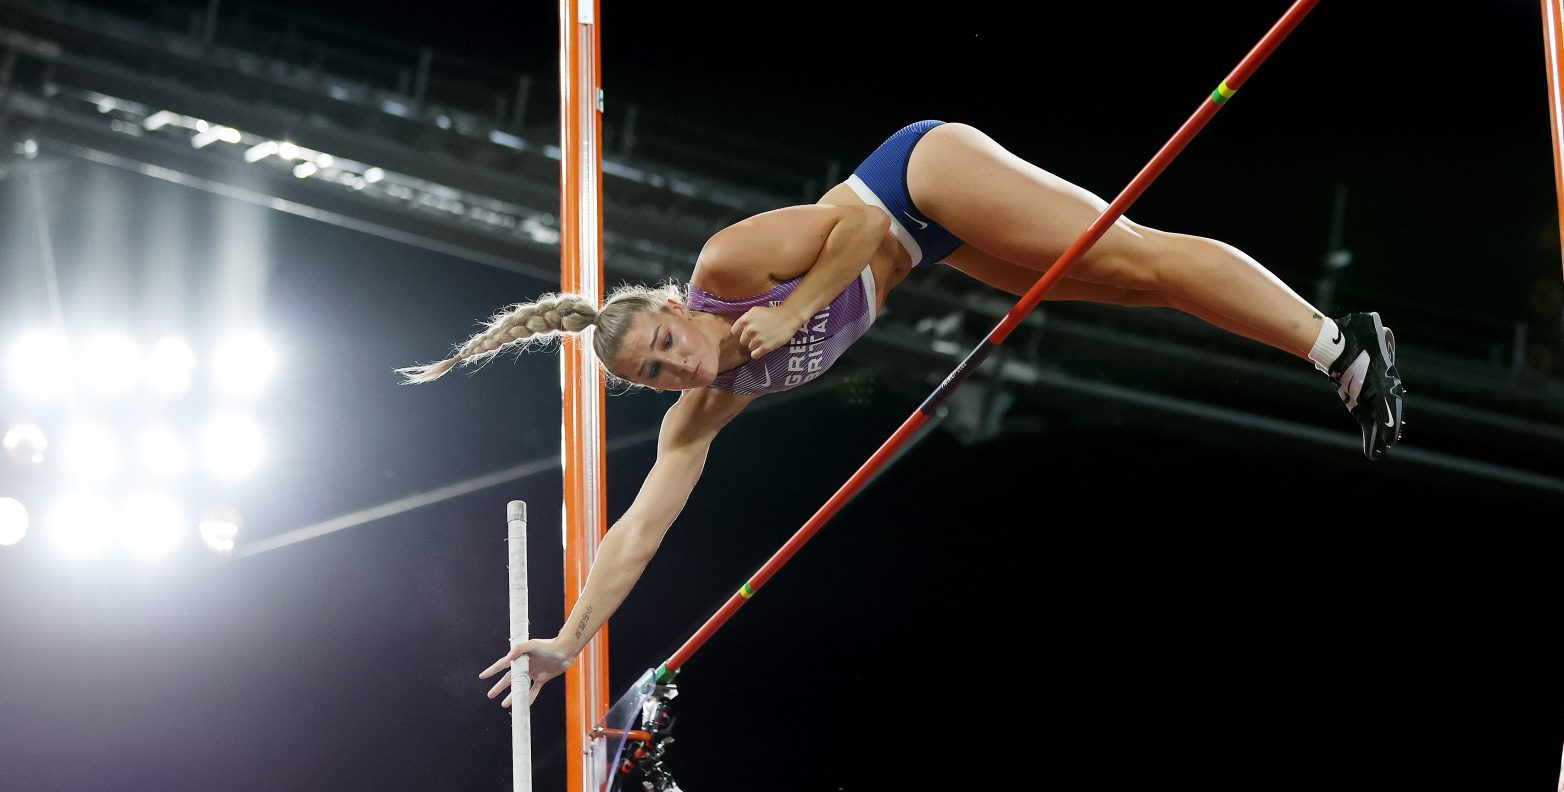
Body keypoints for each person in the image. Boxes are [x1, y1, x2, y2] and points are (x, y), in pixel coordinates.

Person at [398, 120, 1404, 708]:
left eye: (668, 343)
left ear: (672, 308)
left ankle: (1338, 341)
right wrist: (570, 639)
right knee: (1139, 288)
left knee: (1133, 253)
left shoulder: (726, 268)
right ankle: (1335, 352)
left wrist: (787, 310)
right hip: (934, 247)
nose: (680, 365)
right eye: (660, 377)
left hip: (920, 176)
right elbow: (639, 528)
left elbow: (864, 224)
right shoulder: (700, 410)